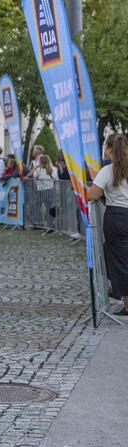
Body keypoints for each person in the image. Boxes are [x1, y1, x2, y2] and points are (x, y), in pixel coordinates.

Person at [88, 134, 128, 316]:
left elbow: (93, 195)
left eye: (105, 147)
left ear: (111, 149)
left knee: (118, 260)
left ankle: (127, 304)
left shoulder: (108, 170)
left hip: (117, 217)